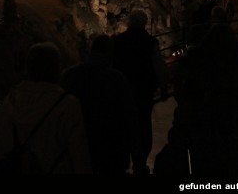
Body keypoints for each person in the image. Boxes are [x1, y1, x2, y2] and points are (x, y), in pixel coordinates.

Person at [0, 42, 91, 174]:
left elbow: (0, 149)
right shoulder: (68, 105)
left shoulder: (9, 102)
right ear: (56, 70)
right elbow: (79, 155)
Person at [61, 35, 141, 174]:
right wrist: (138, 157)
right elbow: (130, 118)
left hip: (77, 147)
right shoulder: (117, 79)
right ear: (111, 53)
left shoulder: (69, 75)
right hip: (111, 150)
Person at [113, 10, 168, 173]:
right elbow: (158, 66)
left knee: (123, 125)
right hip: (143, 90)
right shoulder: (150, 42)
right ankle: (140, 161)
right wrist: (163, 86)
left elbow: (113, 64)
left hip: (123, 90)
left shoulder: (118, 41)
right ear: (144, 23)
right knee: (143, 125)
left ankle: (122, 161)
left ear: (129, 22)